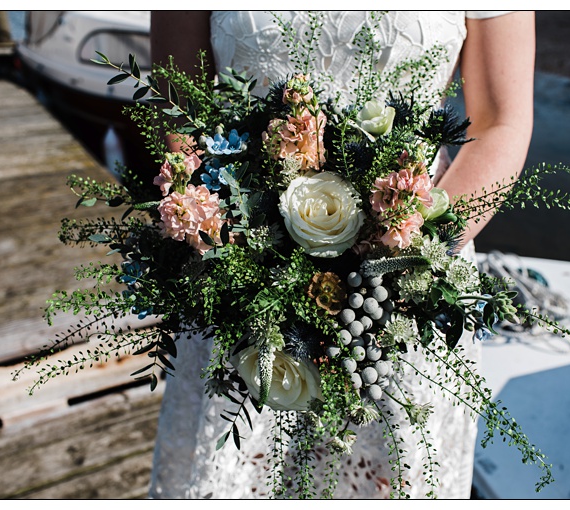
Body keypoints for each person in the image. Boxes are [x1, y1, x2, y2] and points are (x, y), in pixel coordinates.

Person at [146, 11, 534, 498]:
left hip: (404, 297)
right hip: (244, 288)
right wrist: (235, 251)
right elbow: (178, 101)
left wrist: (402, 266)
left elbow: (501, 121)